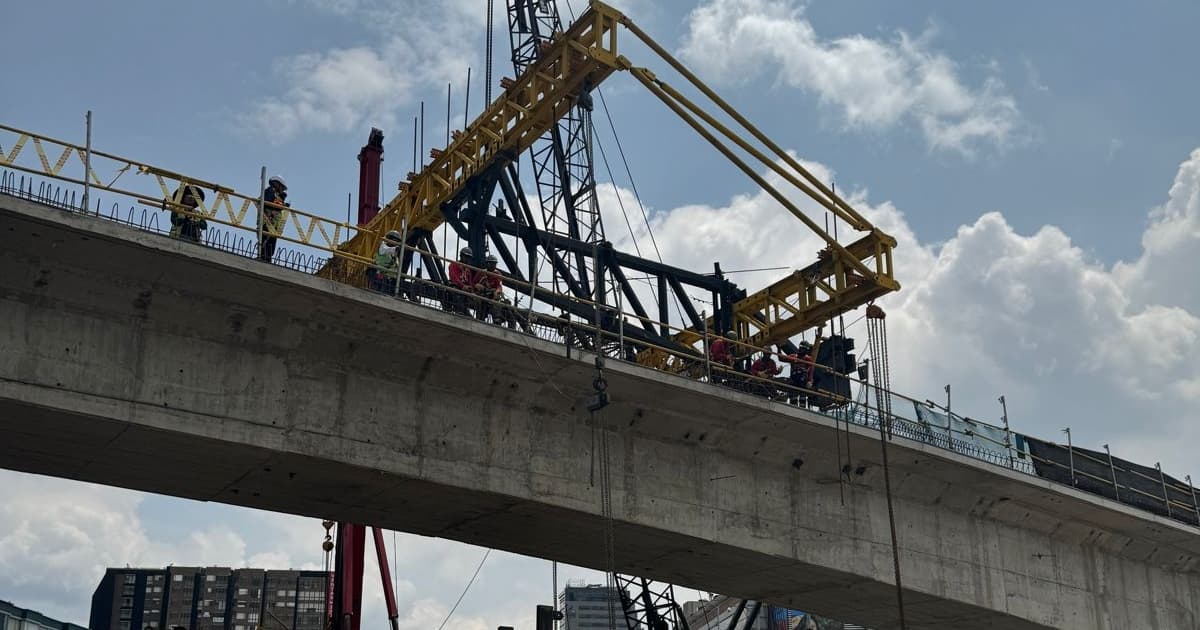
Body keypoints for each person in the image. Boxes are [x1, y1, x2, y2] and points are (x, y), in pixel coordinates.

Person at [258, 175, 288, 262]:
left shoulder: (277, 196)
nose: (282, 189)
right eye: (281, 187)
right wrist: (281, 206)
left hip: (274, 225)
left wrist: (283, 205)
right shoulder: (269, 191)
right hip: (267, 222)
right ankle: (264, 258)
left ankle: (267, 259)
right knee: (266, 243)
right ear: (276, 184)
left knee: (271, 245)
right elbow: (267, 203)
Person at [446, 247, 475, 314]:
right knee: (458, 294)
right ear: (461, 256)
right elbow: (454, 277)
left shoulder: (468, 270)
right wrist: (462, 286)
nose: (467, 259)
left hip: (464, 289)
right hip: (456, 286)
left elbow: (469, 281)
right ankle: (459, 311)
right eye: (466, 257)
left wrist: (471, 289)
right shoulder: (454, 265)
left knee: (477, 300)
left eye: (469, 258)